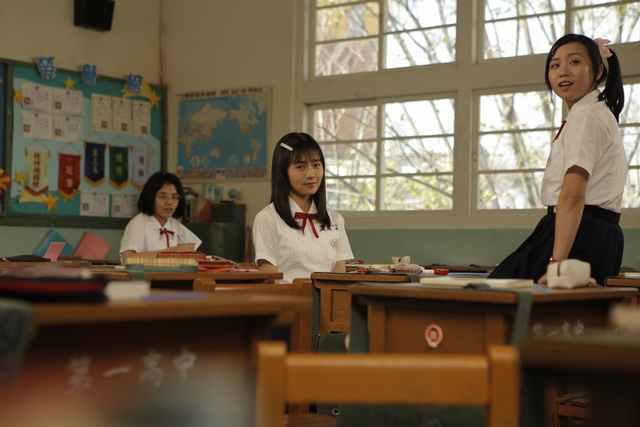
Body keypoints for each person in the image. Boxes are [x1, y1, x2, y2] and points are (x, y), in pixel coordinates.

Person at [489, 34, 627, 286]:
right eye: (555, 65)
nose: (563, 71)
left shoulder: (586, 115)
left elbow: (572, 196)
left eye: (574, 62)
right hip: (596, 232)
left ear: (598, 71)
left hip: (579, 231)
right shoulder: (594, 112)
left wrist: (557, 264)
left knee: (493, 293)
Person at [253, 132, 354, 284]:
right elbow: (270, 281)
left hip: (326, 299)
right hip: (287, 299)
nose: (311, 174)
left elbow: (339, 280)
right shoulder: (268, 219)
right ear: (282, 172)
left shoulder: (335, 219)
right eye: (300, 166)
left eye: (316, 165)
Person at [120, 171, 202, 263]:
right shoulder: (139, 223)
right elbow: (128, 258)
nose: (169, 202)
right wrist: (173, 251)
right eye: (163, 196)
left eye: (174, 197)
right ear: (150, 197)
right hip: (145, 273)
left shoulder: (174, 225)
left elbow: (191, 251)